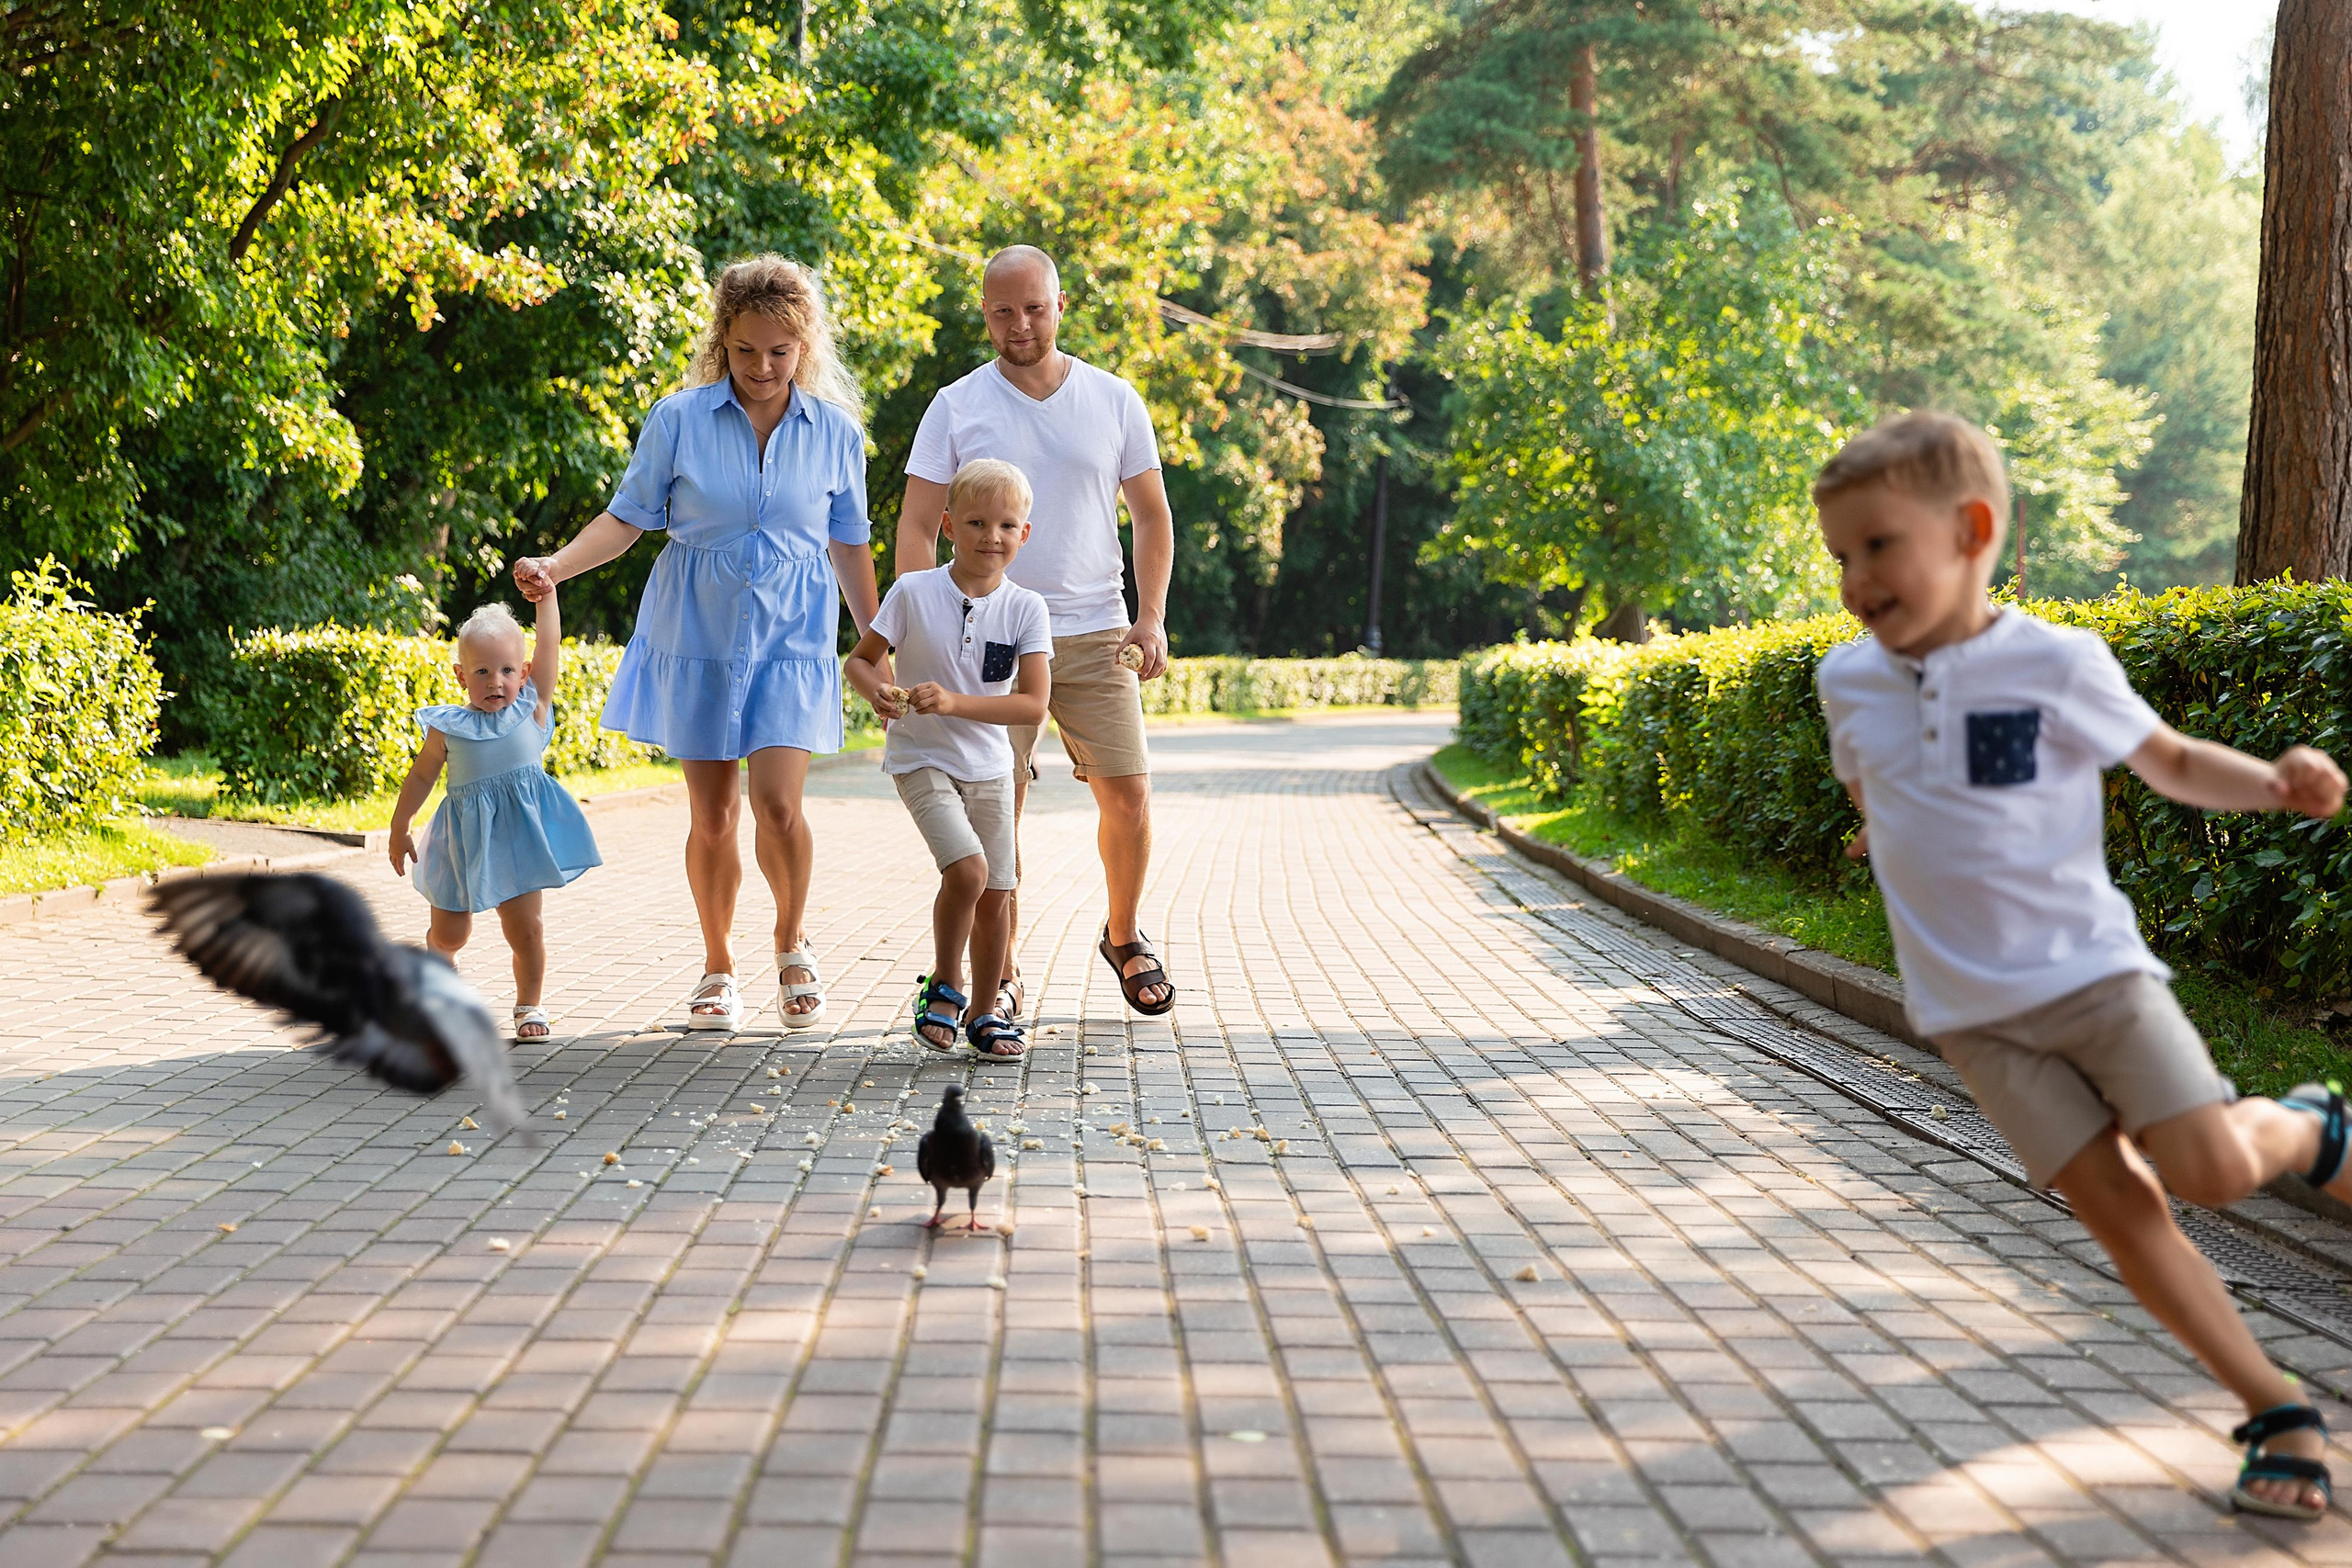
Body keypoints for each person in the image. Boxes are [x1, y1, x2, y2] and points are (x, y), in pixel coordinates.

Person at [1814, 410, 2352, 1521]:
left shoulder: (2050, 661)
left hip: (2094, 980)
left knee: (2204, 1171)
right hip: (1970, 1015)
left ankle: (2307, 1125)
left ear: (1970, 530)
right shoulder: (1847, 681)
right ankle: (2274, 1409)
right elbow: (1872, 787)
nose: (1856, 579)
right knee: (2120, 1211)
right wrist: (1892, 832)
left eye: (1879, 547)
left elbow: (2167, 761)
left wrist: (2272, 781)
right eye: (1840, 558)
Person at [513, 256, 881, 1033]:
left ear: (804, 346)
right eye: (745, 350)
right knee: (713, 814)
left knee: (779, 805)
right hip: (699, 633)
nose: (761, 367)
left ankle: (791, 941)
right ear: (724, 340)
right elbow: (627, 518)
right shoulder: (677, 419)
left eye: (779, 352)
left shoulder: (836, 434)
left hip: (791, 637)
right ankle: (718, 964)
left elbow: (849, 544)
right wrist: (556, 565)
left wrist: (880, 640)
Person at [896, 244, 1177, 1020]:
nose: (1020, 324)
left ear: (1060, 305)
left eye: (1035, 308)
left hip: (1095, 629)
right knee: (997, 808)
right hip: (987, 634)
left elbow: (1151, 514)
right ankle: (1003, 973)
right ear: (984, 313)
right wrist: (928, 626)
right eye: (1003, 311)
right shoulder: (956, 405)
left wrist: (1150, 615)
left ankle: (1123, 935)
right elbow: (918, 526)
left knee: (1129, 795)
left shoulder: (1114, 398)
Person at [846, 458, 1052, 1057]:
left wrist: (956, 702)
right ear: (947, 527)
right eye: (977, 522)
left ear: (1024, 535)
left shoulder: (1026, 609)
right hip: (919, 757)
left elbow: (1033, 705)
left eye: (1007, 526)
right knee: (967, 871)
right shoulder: (913, 592)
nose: (992, 537)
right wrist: (878, 691)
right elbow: (859, 661)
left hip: (990, 767)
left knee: (996, 895)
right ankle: (945, 985)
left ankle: (987, 1013)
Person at [389, 592, 602, 1042]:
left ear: (523, 673)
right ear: (460, 675)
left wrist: (548, 597)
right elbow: (422, 775)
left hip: (518, 841)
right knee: (451, 932)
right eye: (482, 671)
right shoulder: (448, 727)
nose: (495, 681)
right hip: (460, 841)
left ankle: (529, 1005)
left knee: (525, 929)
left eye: (507, 670)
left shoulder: (532, 707)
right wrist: (399, 826)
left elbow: (550, 644)